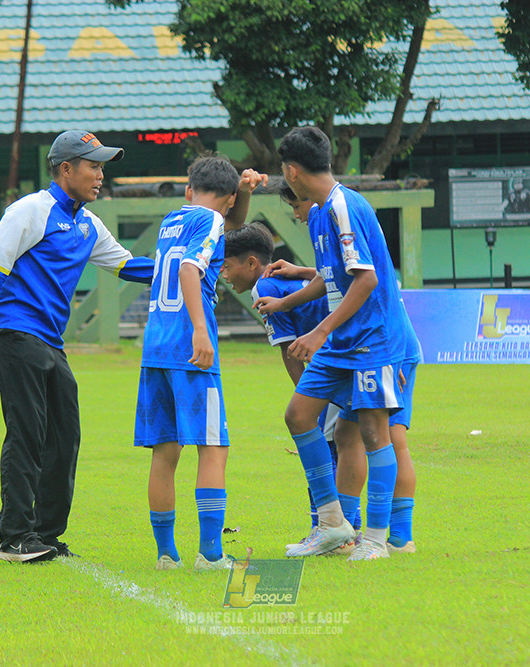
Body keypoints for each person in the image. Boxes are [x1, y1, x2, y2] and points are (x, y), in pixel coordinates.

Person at [0, 130, 154, 563]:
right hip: (12, 335)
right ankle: (13, 539)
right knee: (28, 433)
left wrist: (183, 269)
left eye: (102, 166)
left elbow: (126, 264)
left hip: (49, 341)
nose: (100, 175)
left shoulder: (88, 223)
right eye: (93, 165)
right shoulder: (30, 210)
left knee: (65, 437)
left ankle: (44, 535)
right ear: (66, 169)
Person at [255, 126, 407, 561]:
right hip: (342, 340)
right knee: (300, 416)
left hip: (371, 339)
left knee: (375, 433)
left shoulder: (343, 207)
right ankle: (333, 525)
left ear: (292, 170)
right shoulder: (321, 211)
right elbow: (331, 277)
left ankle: (376, 540)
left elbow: (367, 278)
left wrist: (318, 331)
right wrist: (286, 301)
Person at [220, 215, 362, 553]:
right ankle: (348, 529)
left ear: (252, 263)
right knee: (351, 440)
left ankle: (328, 529)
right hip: (351, 353)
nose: (223, 275)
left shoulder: (265, 289)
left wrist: (308, 398)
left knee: (326, 445)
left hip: (334, 361)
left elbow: (289, 352)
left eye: (226, 266)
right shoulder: (280, 282)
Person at [134, 155, 248, 572]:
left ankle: (166, 554)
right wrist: (201, 328)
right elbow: (189, 268)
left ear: (187, 190)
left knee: (164, 451)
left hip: (155, 348)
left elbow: (217, 232)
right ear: (230, 199)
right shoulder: (214, 221)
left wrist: (244, 193)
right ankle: (212, 554)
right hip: (189, 347)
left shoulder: (173, 220)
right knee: (214, 447)